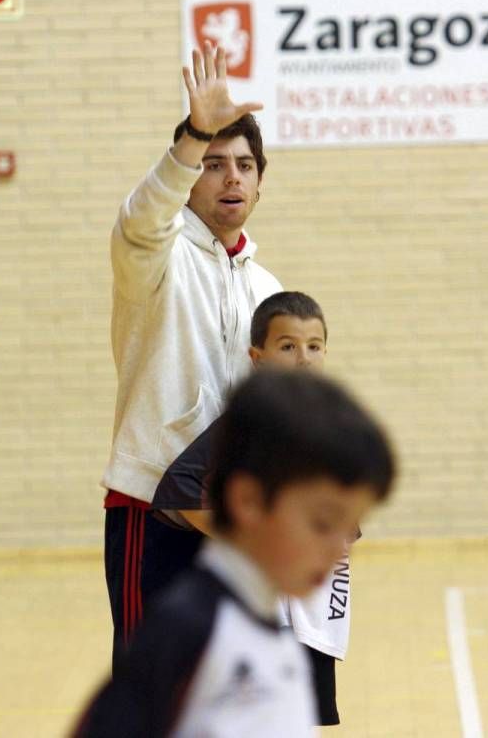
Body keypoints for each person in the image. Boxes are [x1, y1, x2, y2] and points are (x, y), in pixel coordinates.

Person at [72, 369, 398, 738]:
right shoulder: (186, 635)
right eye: (323, 524)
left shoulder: (278, 641)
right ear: (248, 501)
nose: (340, 548)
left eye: (351, 527)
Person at [103, 41, 282, 672]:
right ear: (188, 178)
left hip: (234, 520)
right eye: (212, 163)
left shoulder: (268, 290)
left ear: (260, 182)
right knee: (151, 696)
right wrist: (192, 134)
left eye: (243, 165)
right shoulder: (155, 254)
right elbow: (140, 218)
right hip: (153, 508)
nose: (231, 176)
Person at [151, 291, 351, 726]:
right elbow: (178, 488)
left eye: (314, 346)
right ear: (257, 358)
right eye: (288, 346)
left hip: (313, 607)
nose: (303, 358)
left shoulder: (328, 427)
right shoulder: (250, 426)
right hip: (261, 614)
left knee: (304, 720)